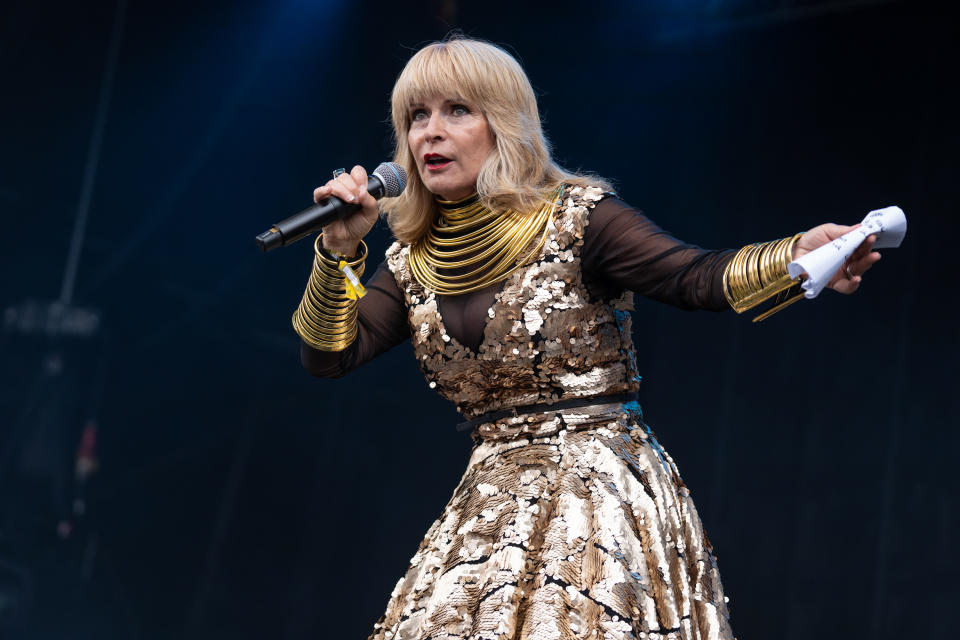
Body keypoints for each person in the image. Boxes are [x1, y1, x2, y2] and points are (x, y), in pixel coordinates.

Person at [291, 37, 880, 640]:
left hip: (595, 496)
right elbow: (329, 357)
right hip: (489, 505)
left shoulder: (578, 218)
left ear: (504, 124)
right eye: (417, 116)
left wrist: (798, 257)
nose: (430, 133)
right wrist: (337, 251)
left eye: (456, 111)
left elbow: (694, 277)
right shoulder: (412, 260)